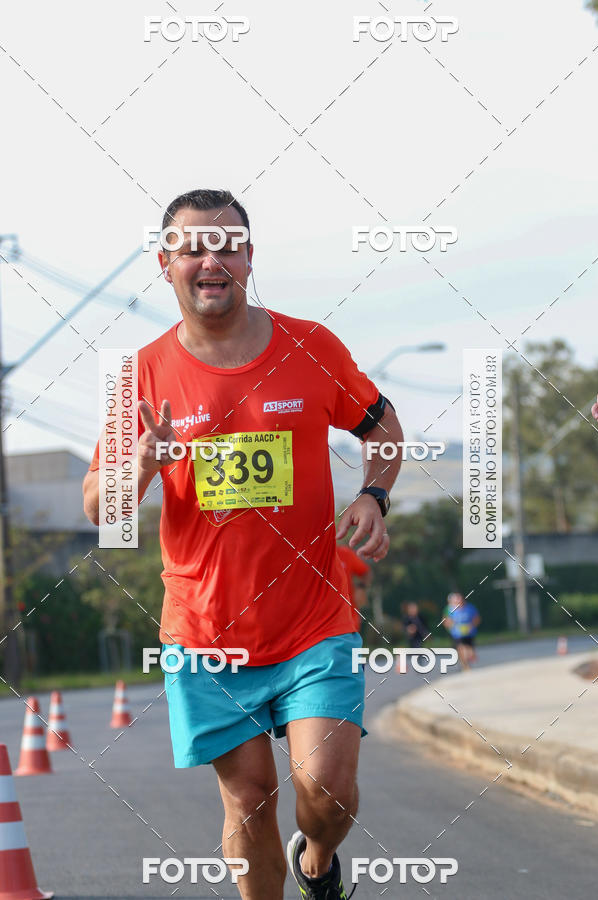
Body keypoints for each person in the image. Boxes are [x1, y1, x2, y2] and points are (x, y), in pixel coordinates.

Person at [82, 189, 404, 900]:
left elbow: (381, 428)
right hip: (205, 630)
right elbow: (99, 506)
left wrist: (373, 496)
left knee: (329, 791)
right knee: (249, 797)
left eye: (227, 244)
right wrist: (137, 466)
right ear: (165, 264)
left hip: (313, 619)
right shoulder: (137, 377)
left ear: (250, 258)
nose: (211, 258)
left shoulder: (310, 346)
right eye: (192, 246)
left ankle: (316, 858)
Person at [336, 543, 372, 634]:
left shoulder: (345, 553)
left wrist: (361, 588)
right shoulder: (309, 555)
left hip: (349, 618)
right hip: (319, 623)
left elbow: (366, 572)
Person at [442, 592, 481, 670]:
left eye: (460, 599)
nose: (459, 601)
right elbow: (446, 621)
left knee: (470, 652)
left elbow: (477, 619)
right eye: (456, 600)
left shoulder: (470, 608)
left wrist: (471, 625)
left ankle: (470, 657)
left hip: (469, 633)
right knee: (461, 648)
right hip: (456, 634)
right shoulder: (449, 609)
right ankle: (465, 665)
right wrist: (452, 626)